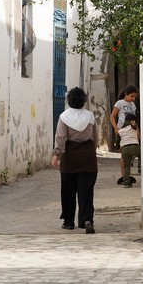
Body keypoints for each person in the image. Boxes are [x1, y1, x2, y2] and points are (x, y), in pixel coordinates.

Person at [51, 86, 97, 234]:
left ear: (69, 100)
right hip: (88, 158)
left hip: (70, 159)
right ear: (83, 100)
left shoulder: (64, 117)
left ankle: (69, 221)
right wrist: (91, 151)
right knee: (86, 191)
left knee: (68, 191)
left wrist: (56, 154)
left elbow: (60, 137)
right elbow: (95, 138)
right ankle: (86, 220)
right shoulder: (90, 116)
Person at [117, 112, 140, 188]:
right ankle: (140, 168)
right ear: (132, 121)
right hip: (134, 147)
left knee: (126, 166)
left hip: (125, 149)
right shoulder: (134, 126)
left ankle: (126, 183)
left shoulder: (120, 130)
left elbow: (117, 141)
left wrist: (118, 148)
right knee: (142, 156)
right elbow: (138, 136)